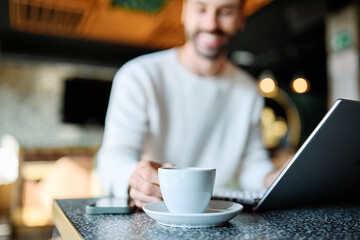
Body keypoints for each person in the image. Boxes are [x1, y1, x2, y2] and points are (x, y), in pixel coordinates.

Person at [97, 0, 280, 208]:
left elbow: (251, 165)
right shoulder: (139, 76)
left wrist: (277, 178)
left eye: (225, 12)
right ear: (184, 11)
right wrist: (136, 180)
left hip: (218, 216)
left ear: (241, 18)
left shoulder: (249, 91)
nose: (211, 24)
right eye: (201, 9)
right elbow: (114, 159)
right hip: (156, 214)